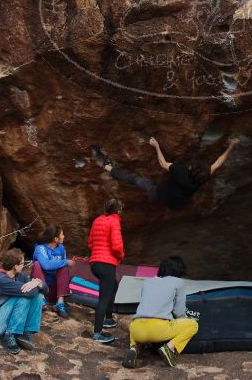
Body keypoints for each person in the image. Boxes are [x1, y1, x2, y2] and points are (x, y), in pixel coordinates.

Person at [97, 136, 240, 211]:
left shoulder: (180, 171)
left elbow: (163, 163)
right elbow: (218, 163)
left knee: (134, 179)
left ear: (192, 167)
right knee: (170, 199)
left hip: (158, 193)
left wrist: (156, 146)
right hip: (176, 205)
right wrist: (231, 146)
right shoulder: (203, 177)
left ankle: (109, 168)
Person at [122, 256, 199, 369]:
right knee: (193, 325)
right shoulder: (179, 283)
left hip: (137, 329)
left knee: (136, 323)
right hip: (158, 330)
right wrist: (184, 319)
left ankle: (133, 347)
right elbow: (179, 312)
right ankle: (169, 348)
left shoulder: (148, 281)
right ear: (179, 269)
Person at [0, 248, 48, 354]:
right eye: (22, 263)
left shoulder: (18, 276)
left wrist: (38, 283)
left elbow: (45, 290)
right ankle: (10, 334)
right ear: (15, 266)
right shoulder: (0, 279)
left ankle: (27, 331)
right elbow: (28, 292)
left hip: (4, 319)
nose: (23, 266)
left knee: (38, 296)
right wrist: (35, 283)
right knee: (23, 296)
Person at [87, 198, 124, 344]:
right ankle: (97, 333)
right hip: (106, 264)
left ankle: (108, 318)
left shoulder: (98, 220)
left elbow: (90, 242)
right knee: (103, 298)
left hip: (95, 263)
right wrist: (121, 255)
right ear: (119, 210)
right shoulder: (114, 221)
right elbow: (116, 246)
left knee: (113, 286)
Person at [31, 225, 75, 319]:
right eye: (62, 234)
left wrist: (62, 263)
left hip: (54, 289)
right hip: (43, 286)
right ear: (56, 239)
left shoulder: (61, 248)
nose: (64, 236)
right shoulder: (40, 248)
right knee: (38, 264)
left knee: (64, 267)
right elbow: (46, 265)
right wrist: (65, 261)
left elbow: (60, 267)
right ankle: (41, 299)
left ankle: (60, 302)